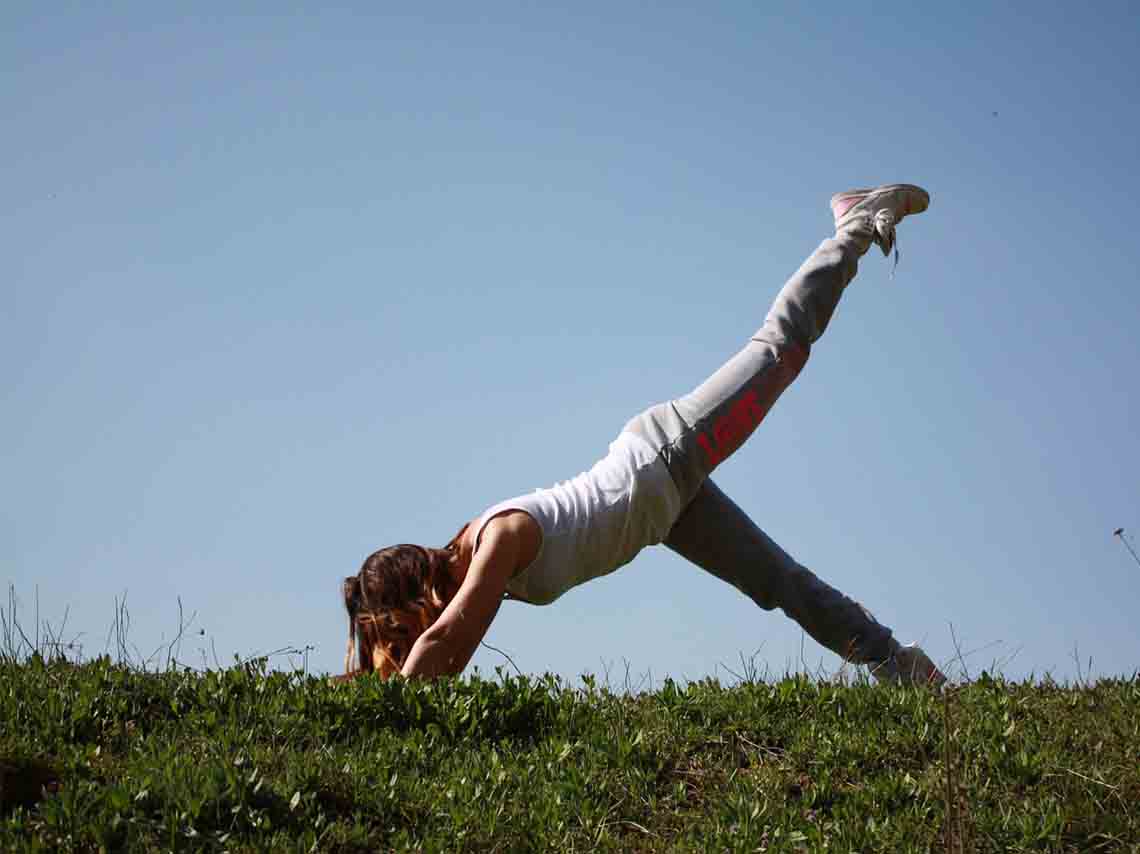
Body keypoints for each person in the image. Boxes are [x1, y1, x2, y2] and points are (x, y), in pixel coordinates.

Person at [341, 183, 946, 688]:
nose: (403, 638)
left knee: (781, 351)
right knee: (778, 583)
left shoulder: (497, 539)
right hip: (663, 510)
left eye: (397, 626)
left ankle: (856, 223)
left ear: (413, 595)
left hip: (664, 456)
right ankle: (900, 666)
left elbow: (448, 640)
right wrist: (367, 674)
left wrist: (396, 713)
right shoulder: (477, 574)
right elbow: (432, 651)